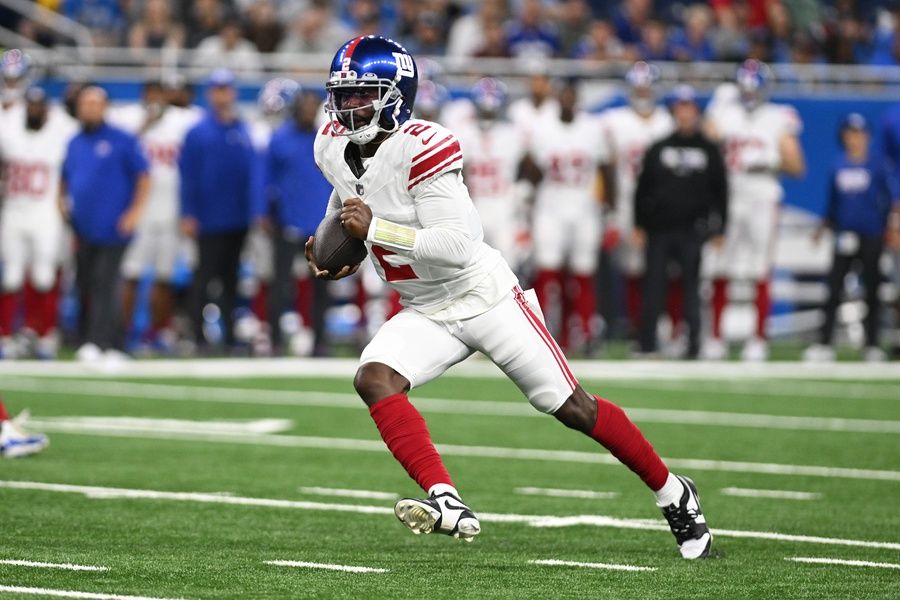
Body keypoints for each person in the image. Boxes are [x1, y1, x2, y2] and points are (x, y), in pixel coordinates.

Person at [305, 35, 712, 560]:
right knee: (374, 377)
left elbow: (455, 247)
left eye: (363, 94)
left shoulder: (424, 145)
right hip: (426, 307)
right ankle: (446, 499)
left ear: (396, 94)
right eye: (343, 94)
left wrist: (376, 229)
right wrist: (336, 244)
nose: (349, 106)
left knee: (572, 408)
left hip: (484, 295)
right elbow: (347, 192)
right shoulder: (330, 143)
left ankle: (674, 492)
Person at [702, 60, 805, 361]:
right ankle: (716, 338)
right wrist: (716, 108)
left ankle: (758, 339)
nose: (749, 95)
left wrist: (771, 161)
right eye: (744, 89)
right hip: (729, 194)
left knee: (760, 267)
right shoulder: (725, 111)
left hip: (762, 194)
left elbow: (798, 166)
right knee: (720, 265)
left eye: (754, 89)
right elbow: (706, 141)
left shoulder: (777, 118)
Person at [634, 85, 728, 358]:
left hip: (692, 228)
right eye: (680, 108)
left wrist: (721, 226)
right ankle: (647, 342)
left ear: (696, 112)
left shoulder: (709, 149)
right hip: (660, 228)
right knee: (653, 286)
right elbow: (643, 188)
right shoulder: (660, 146)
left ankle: (693, 344)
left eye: (689, 108)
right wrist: (639, 224)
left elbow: (720, 191)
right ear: (674, 112)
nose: (685, 113)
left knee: (691, 288)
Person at [60, 86, 150, 362]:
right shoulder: (74, 141)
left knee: (106, 283)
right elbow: (65, 177)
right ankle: (103, 340)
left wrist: (134, 212)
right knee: (86, 283)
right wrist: (60, 204)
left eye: (94, 103)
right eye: (85, 103)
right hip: (83, 225)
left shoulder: (122, 139)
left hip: (113, 226)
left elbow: (144, 176)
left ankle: (101, 341)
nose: (89, 108)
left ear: (105, 107)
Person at [110, 80, 200, 354]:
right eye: (150, 96)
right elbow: (118, 150)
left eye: (160, 95)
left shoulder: (182, 120)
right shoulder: (127, 119)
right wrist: (144, 125)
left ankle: (157, 332)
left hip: (172, 210)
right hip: (141, 210)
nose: (155, 101)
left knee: (165, 275)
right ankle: (122, 334)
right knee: (132, 273)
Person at [803, 113, 898, 363]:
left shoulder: (877, 165)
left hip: (871, 234)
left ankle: (872, 344)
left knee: (872, 290)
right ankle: (824, 342)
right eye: (850, 133)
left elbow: (888, 201)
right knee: (833, 288)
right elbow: (833, 204)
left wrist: (890, 229)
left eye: (859, 133)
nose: (854, 139)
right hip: (843, 234)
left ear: (866, 136)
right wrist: (822, 228)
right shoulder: (838, 164)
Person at [179, 69, 260, 353]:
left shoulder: (241, 129)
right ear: (210, 93)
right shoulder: (197, 132)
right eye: (218, 89)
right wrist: (188, 213)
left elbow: (251, 174)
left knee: (231, 278)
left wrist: (253, 210)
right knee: (204, 277)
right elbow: (187, 175)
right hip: (208, 217)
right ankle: (197, 336)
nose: (223, 95)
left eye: (227, 89)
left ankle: (227, 336)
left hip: (237, 217)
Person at [526, 79, 608, 352]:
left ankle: (583, 331)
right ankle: (547, 331)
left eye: (572, 96)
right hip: (550, 208)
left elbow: (606, 169)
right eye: (564, 96)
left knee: (584, 272)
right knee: (547, 269)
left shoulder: (593, 128)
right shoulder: (543, 129)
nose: (568, 101)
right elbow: (532, 169)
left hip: (585, 208)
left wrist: (612, 210)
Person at [0, 87, 77, 359]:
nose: (33, 111)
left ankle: (45, 335)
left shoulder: (59, 136)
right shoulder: (9, 133)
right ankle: (6, 336)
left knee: (44, 276)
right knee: (11, 276)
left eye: (38, 107)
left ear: (46, 110)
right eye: (29, 107)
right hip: (15, 211)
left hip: (46, 213)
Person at [600, 62, 674, 337]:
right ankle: (635, 324)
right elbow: (604, 165)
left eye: (647, 86)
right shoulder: (614, 121)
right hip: (627, 202)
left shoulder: (667, 121)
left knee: (663, 265)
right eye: (638, 86)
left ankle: (661, 322)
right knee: (631, 266)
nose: (642, 92)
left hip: (663, 204)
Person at [264, 88, 333, 355]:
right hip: (288, 221)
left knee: (321, 289)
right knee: (281, 285)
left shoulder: (328, 140)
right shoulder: (280, 138)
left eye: (312, 106)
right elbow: (266, 177)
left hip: (321, 224)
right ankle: (275, 340)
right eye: (304, 106)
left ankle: (320, 341)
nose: (308, 111)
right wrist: (263, 212)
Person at [455, 78, 530, 276]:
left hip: (503, 205)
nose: (487, 112)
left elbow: (528, 164)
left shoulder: (512, 133)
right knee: (469, 267)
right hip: (474, 204)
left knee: (508, 266)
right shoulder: (465, 131)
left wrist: (523, 187)